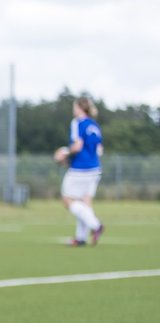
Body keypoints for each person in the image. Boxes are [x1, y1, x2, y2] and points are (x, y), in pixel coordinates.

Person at [54, 95, 105, 246]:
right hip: (95, 168)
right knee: (84, 202)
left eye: (74, 107)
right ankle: (81, 238)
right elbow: (100, 150)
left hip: (80, 168)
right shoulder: (94, 125)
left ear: (79, 108)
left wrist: (64, 155)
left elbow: (77, 146)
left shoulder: (77, 123)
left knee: (68, 200)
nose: (73, 110)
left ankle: (96, 225)